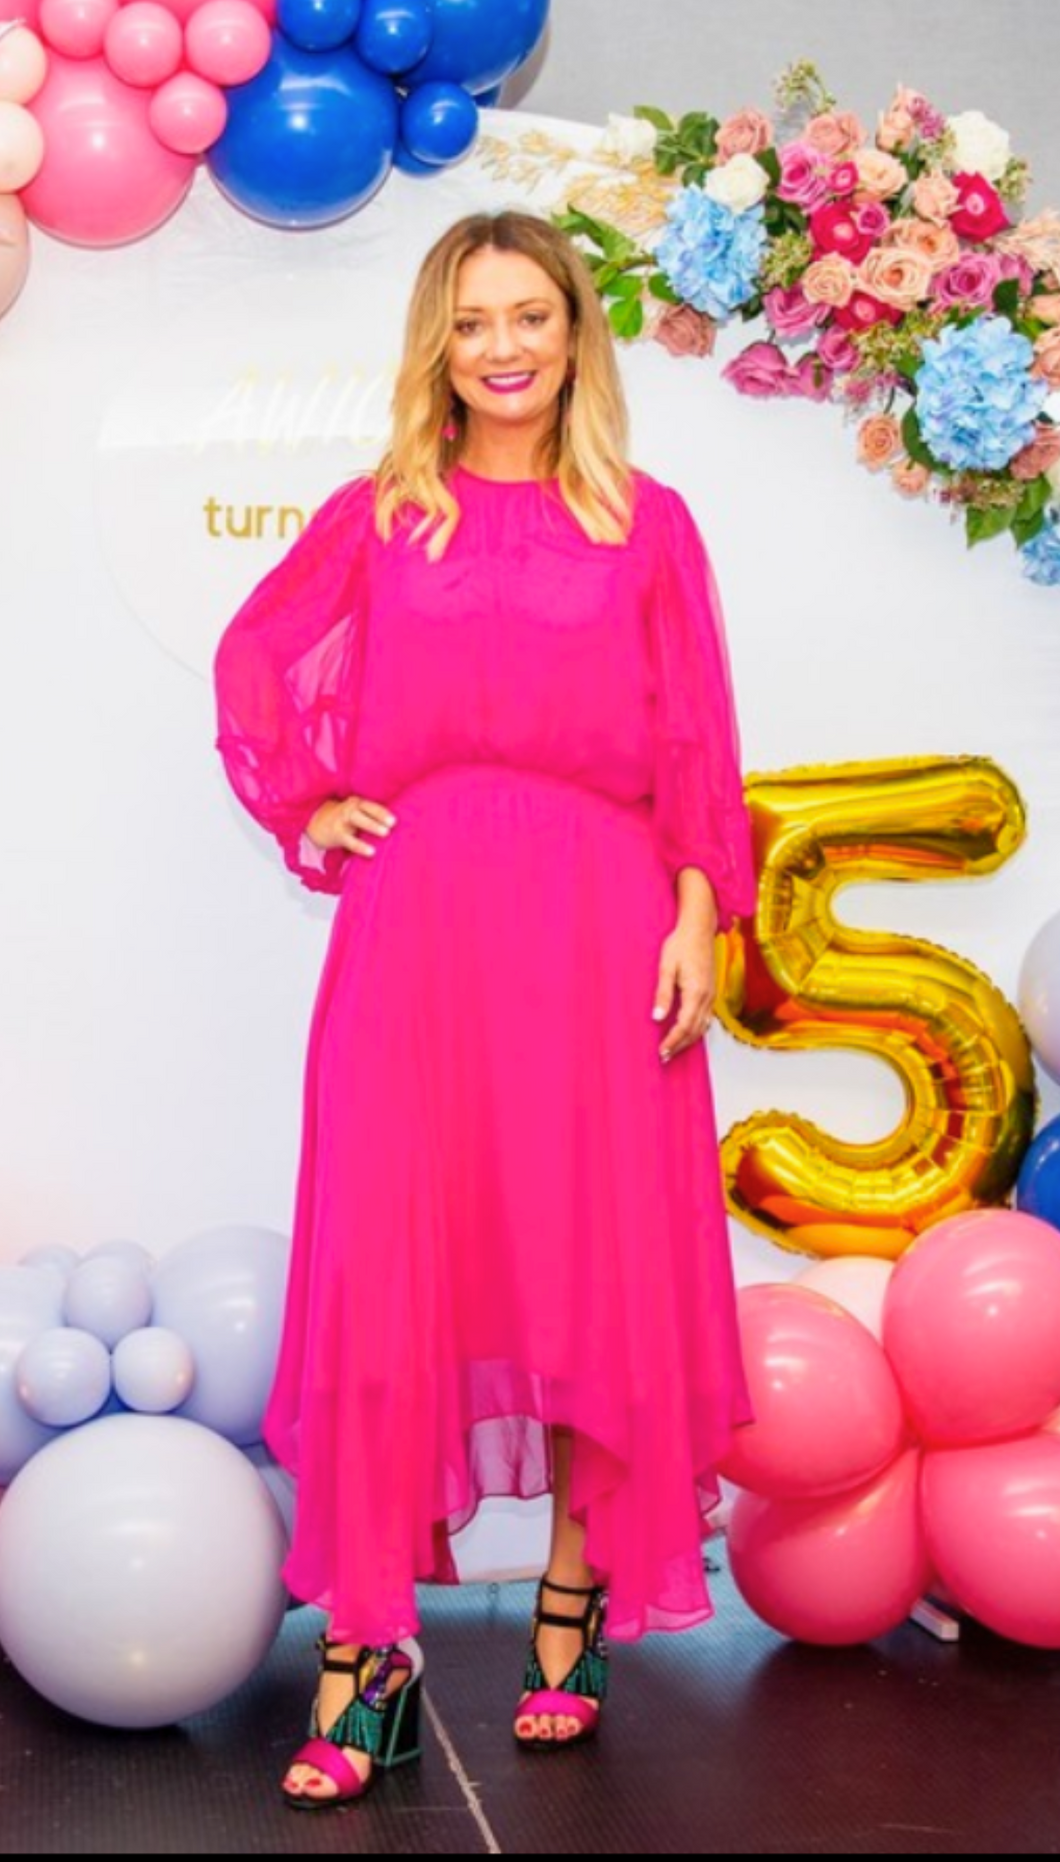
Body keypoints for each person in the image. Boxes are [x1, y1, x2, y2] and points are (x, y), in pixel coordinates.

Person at [213, 210, 758, 1809]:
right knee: (389, 1269)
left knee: (593, 1272)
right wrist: (306, 802)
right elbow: (255, 659)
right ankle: (365, 1652)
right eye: (469, 323)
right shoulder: (383, 516)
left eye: (528, 315)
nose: (502, 347)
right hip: (421, 927)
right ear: (434, 350)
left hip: (599, 928)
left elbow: (697, 745)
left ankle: (569, 1610)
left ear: (575, 333)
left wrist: (695, 918)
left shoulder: (646, 523)